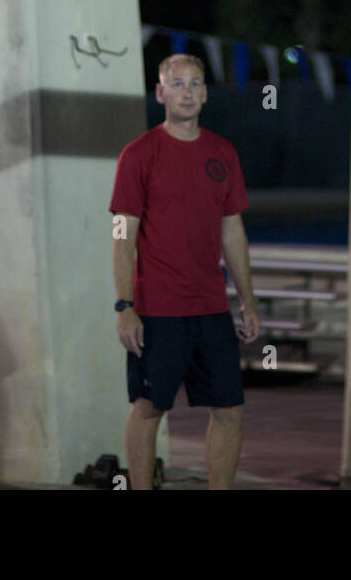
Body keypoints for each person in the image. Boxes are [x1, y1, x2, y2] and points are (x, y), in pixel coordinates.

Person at [109, 53, 260, 489]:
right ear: (160, 93)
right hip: (158, 308)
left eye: (195, 84)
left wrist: (248, 302)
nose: (187, 92)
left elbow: (233, 233)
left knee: (229, 409)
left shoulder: (222, 153)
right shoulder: (137, 155)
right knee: (149, 406)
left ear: (205, 94)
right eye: (177, 84)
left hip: (211, 307)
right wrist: (125, 305)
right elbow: (122, 236)